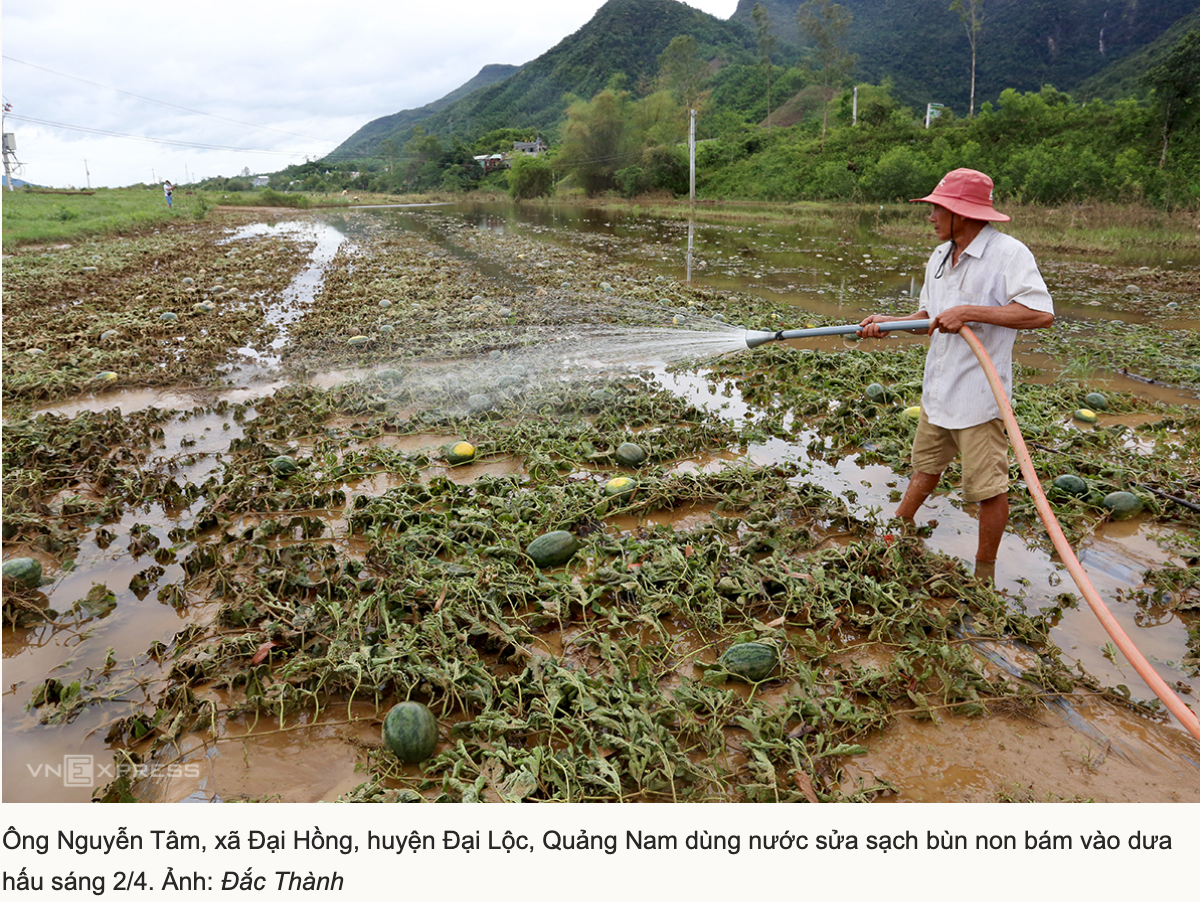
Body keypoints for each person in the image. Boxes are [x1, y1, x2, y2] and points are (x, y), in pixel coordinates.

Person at [858, 168, 1054, 580]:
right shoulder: (940, 258)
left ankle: (984, 572)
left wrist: (970, 312)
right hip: (939, 388)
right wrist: (887, 323)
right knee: (926, 466)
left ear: (960, 214)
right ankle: (899, 528)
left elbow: (1040, 313)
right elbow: (927, 318)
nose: (930, 216)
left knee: (988, 490)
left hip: (981, 397)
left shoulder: (1009, 254)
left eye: (936, 208)